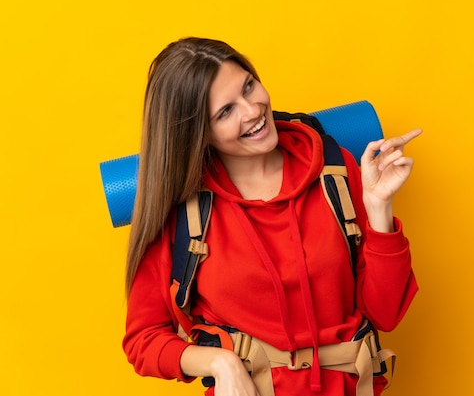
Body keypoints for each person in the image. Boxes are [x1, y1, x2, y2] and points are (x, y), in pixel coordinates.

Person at [122, 37, 421, 396]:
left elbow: (386, 314)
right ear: (199, 133)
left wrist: (378, 207)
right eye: (225, 112)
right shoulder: (182, 210)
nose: (252, 111)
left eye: (249, 86)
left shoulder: (335, 172)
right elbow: (143, 339)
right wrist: (221, 363)